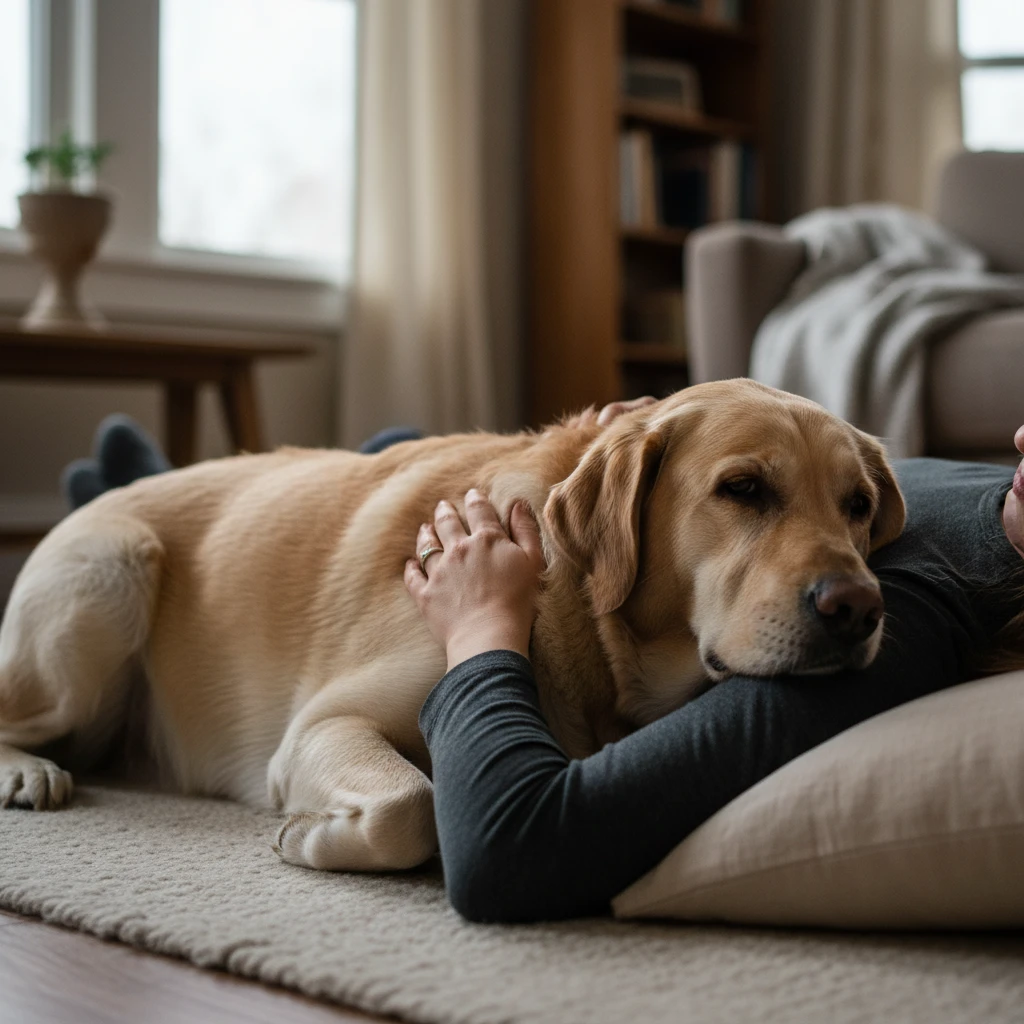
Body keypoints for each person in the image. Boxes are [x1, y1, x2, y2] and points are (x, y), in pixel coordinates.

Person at [61, 409, 1024, 923]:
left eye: (856, 514)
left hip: (474, 547)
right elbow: (322, 738)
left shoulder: (926, 606)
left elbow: (509, 848)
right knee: (101, 580)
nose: (852, 565)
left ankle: (121, 484)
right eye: (750, 492)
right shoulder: (911, 490)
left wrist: (484, 625)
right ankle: (124, 494)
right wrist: (624, 448)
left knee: (398, 807)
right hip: (204, 538)